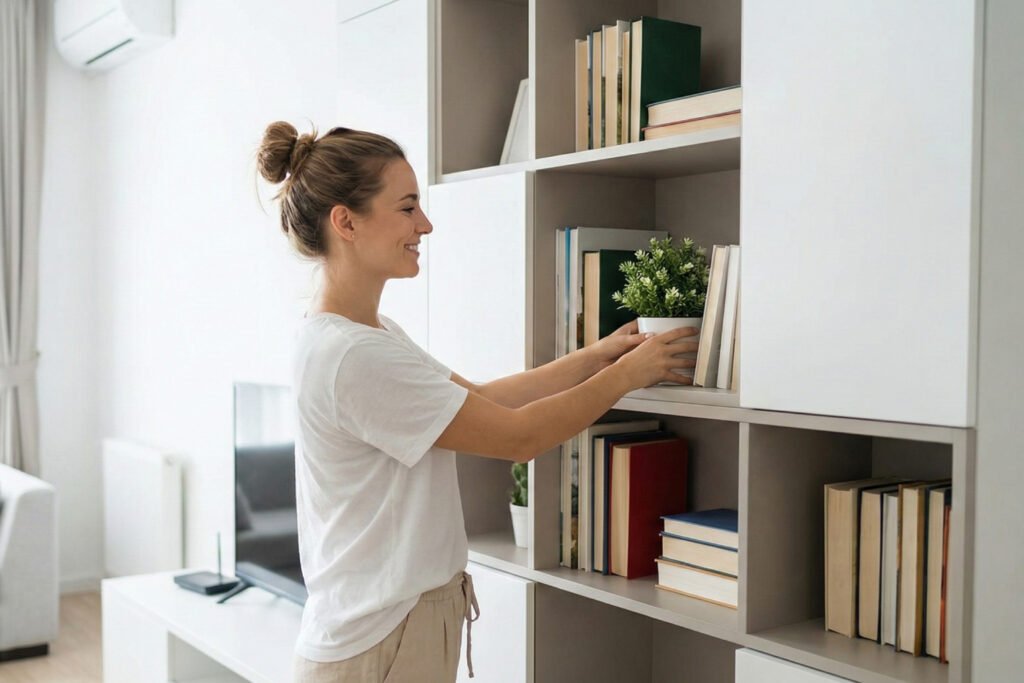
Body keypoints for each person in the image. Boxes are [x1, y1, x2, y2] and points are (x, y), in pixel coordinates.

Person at [256, 122, 698, 683]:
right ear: (345, 221)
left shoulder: (367, 335)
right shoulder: (352, 355)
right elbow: (517, 437)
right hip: (380, 639)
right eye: (407, 207)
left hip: (384, 628)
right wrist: (628, 376)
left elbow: (482, 400)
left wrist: (601, 356)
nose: (426, 225)